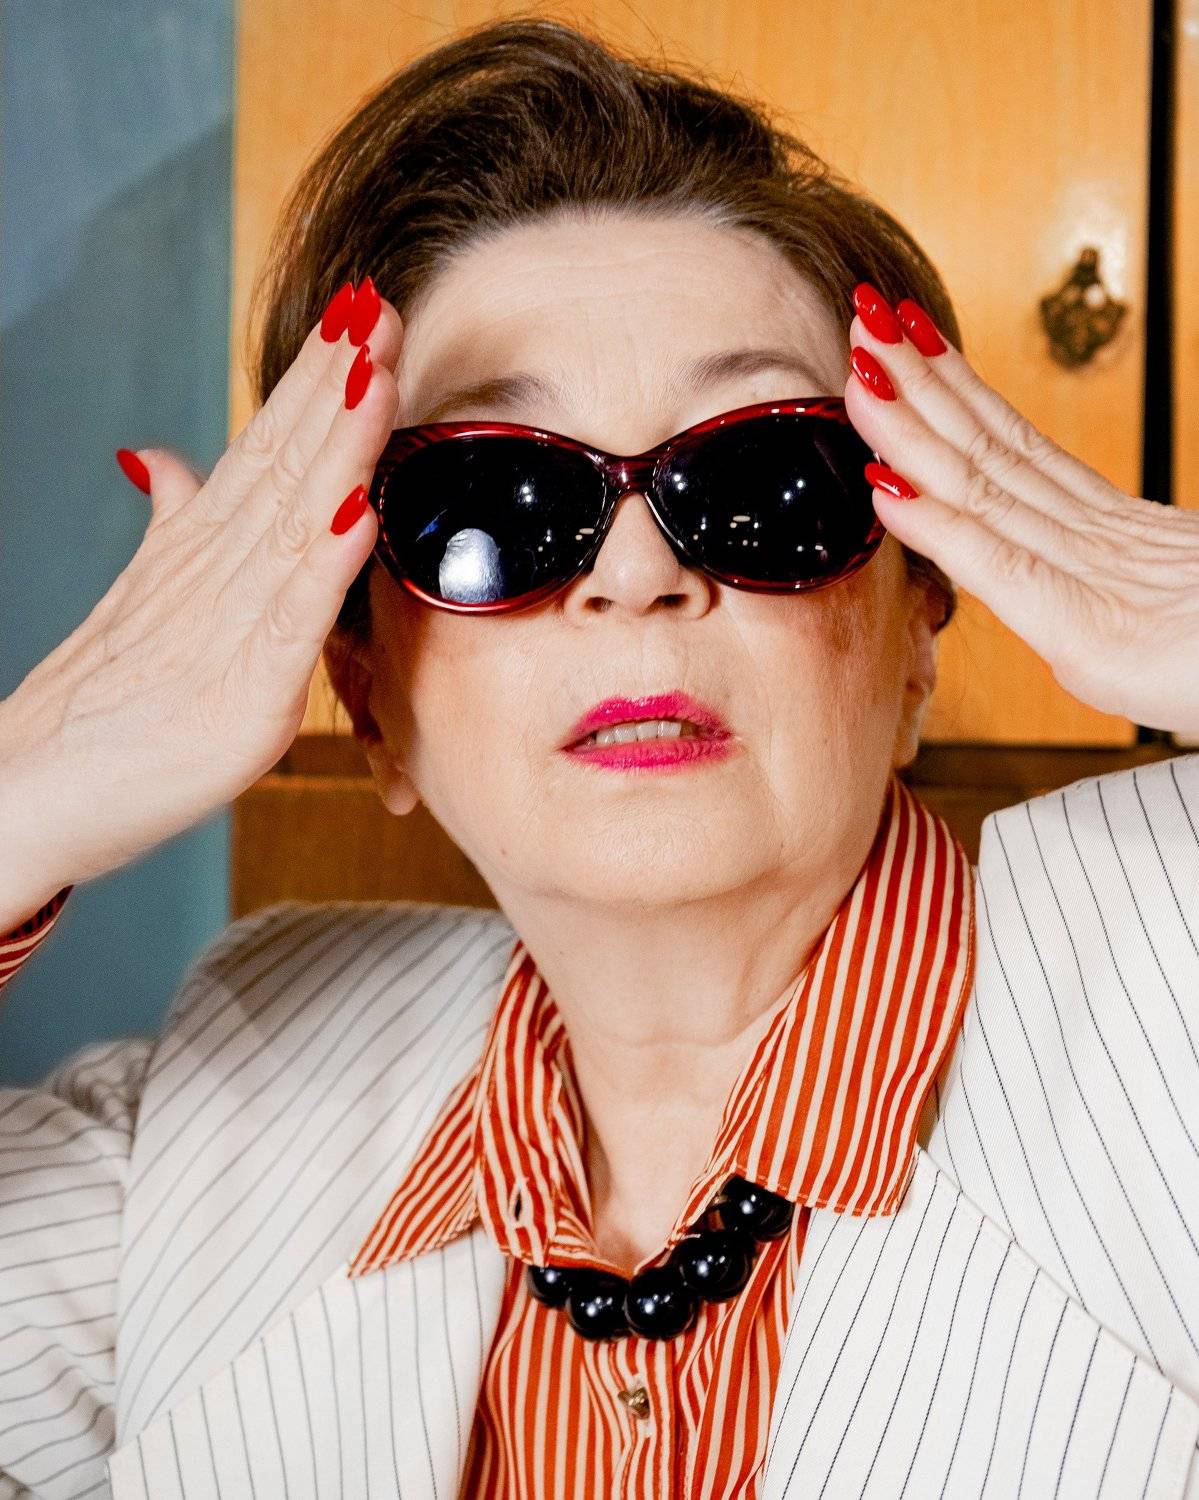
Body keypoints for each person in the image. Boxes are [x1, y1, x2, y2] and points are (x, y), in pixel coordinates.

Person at [2, 17, 1197, 1500]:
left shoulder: (1172, 978)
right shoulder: (226, 1091)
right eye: (493, 500)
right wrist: (29, 786)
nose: (635, 576)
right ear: (366, 696)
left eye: (760, 478)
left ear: (916, 634)